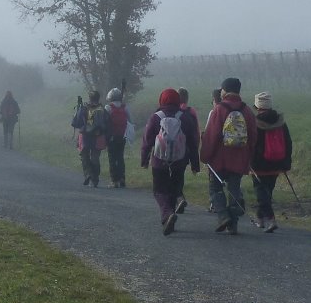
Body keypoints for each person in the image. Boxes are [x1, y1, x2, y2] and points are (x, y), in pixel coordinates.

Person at [200, 77, 257, 234]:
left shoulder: (219, 109)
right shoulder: (246, 110)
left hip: (219, 158)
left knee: (215, 188)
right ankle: (234, 221)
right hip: (239, 158)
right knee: (234, 188)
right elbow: (253, 136)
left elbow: (212, 135)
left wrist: (205, 156)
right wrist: (249, 157)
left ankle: (223, 215)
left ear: (224, 90)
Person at [140, 88, 200, 235]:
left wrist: (144, 159)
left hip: (159, 161)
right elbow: (193, 142)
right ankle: (170, 216)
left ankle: (167, 214)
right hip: (179, 161)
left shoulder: (156, 117)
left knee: (159, 190)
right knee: (174, 189)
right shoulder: (185, 117)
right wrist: (195, 164)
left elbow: (147, 141)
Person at [251, 91, 293, 233]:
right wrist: (286, 162)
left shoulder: (255, 123)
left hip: (259, 164)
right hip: (277, 163)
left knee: (261, 192)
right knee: (267, 190)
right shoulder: (281, 122)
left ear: (257, 106)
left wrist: (248, 161)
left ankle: (270, 219)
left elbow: (252, 143)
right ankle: (260, 218)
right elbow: (288, 142)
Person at [70, 90, 108, 187]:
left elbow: (76, 122)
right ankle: (95, 178)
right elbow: (107, 123)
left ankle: (88, 174)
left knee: (84, 156)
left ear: (89, 98)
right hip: (98, 136)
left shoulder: (84, 108)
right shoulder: (102, 109)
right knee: (95, 157)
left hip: (85, 136)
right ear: (98, 98)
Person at [104, 88, 132, 188]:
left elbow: (105, 122)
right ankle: (122, 179)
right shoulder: (125, 107)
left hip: (111, 137)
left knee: (112, 158)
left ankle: (114, 180)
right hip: (122, 136)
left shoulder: (108, 107)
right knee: (120, 157)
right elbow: (130, 121)